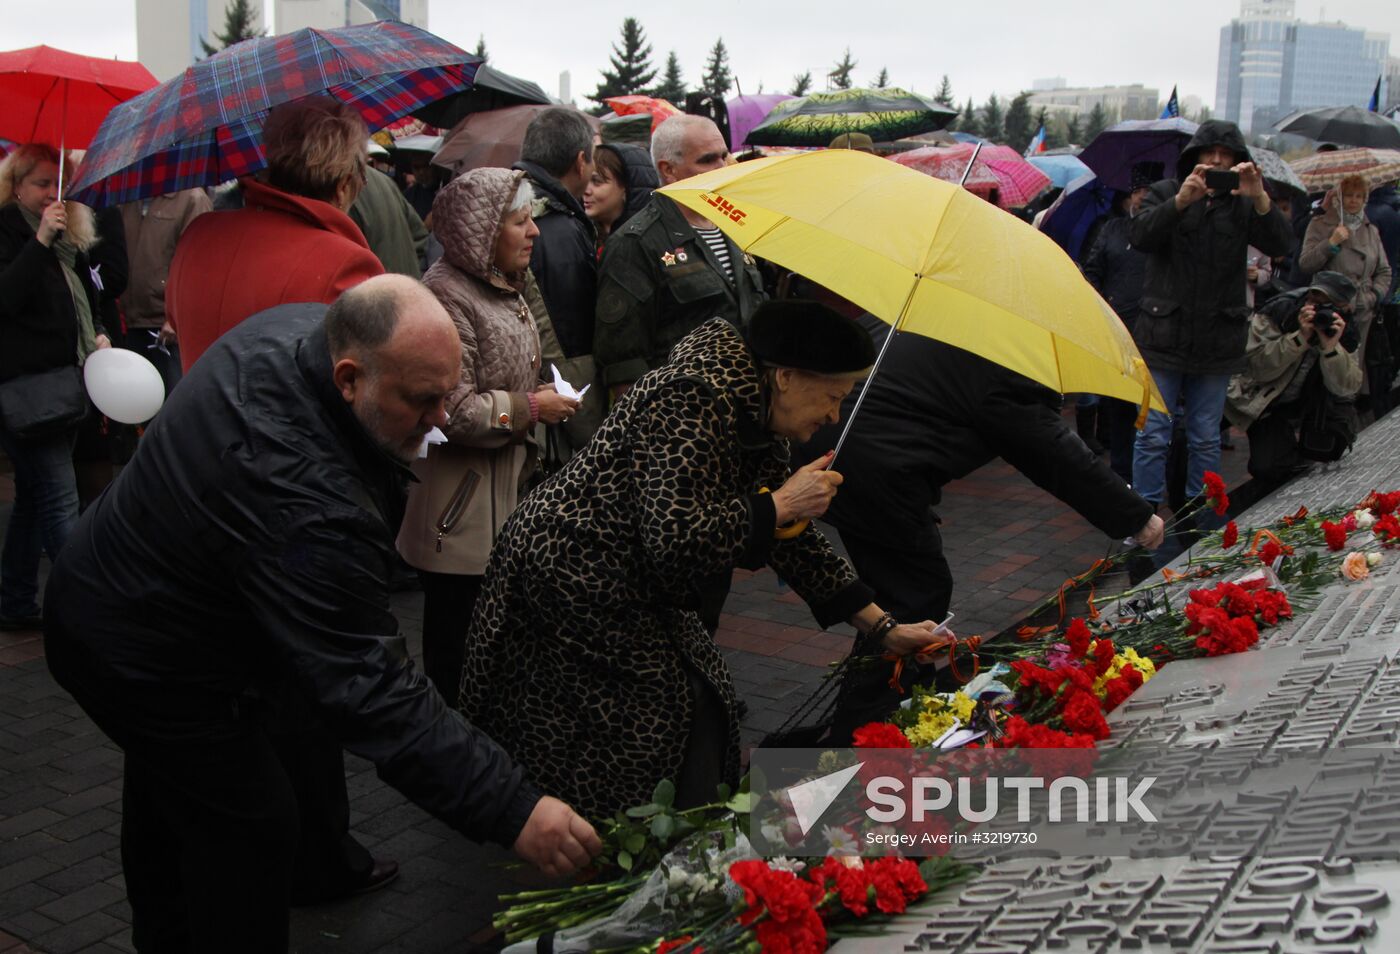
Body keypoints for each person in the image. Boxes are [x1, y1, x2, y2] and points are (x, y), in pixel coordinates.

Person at [44, 276, 601, 953]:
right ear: (349, 378)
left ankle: (167, 934)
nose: (438, 419)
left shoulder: (304, 331)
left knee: (177, 794)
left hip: (140, 599)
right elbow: (369, 684)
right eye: (422, 400)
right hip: (137, 642)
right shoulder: (299, 492)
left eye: (445, 395)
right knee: (253, 822)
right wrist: (514, 807)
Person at [459, 301, 943, 819]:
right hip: (573, 570)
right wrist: (778, 504)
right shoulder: (692, 398)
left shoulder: (756, 414)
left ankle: (662, 837)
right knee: (648, 717)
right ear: (785, 376)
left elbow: (792, 540)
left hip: (631, 578)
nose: (833, 416)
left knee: (693, 701)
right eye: (831, 396)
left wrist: (882, 628)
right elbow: (674, 540)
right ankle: (618, 845)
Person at [162, 95, 389, 903]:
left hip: (189, 490)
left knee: (230, 683)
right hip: (289, 507)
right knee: (305, 686)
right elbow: (360, 408)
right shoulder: (340, 265)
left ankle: (248, 845)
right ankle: (320, 859)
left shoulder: (202, 235)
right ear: (347, 174)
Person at [797, 312, 1163, 728]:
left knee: (900, 585)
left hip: (844, 441)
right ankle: (869, 724)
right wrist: (1137, 517)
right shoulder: (1006, 356)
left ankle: (886, 706)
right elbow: (1047, 448)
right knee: (916, 590)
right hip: (873, 463)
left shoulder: (961, 311)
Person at [397, 168, 579, 699]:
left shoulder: (504, 285)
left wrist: (548, 388)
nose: (534, 232)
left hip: (504, 503)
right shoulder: (446, 297)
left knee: (498, 652)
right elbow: (450, 412)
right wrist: (529, 408)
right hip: (460, 515)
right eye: (521, 222)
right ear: (483, 232)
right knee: (456, 655)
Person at [1128, 119, 1293, 516]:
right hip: (1163, 335)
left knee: (1205, 436)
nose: (1217, 160)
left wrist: (1260, 200)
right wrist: (1180, 202)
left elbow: (1282, 244)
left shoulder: (1244, 201)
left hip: (1218, 339)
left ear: (1239, 161)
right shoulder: (1168, 191)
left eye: (1226, 155)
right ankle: (1142, 513)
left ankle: (1199, 513)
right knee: (1152, 434)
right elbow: (1141, 237)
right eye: (1209, 154)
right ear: (1194, 157)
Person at [166, 96, 383, 371]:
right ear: (343, 186)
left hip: (194, 412)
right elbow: (368, 376)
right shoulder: (346, 265)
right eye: (361, 178)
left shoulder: (197, 237)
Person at [0, 143, 111, 632]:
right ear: (18, 185)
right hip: (28, 390)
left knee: (32, 501)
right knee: (60, 500)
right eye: (42, 183)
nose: (51, 194)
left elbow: (84, 295)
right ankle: (87, 612)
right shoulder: (8, 231)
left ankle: (16, 600)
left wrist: (97, 331)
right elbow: (7, 299)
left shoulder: (68, 237)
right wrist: (40, 240)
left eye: (57, 183)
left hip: (66, 383)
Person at [594, 115, 767, 395]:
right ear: (668, 170)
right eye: (708, 160)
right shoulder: (635, 243)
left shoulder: (734, 225)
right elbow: (623, 364)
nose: (722, 167)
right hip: (682, 416)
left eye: (724, 156)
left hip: (746, 409)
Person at [1226, 271, 1363, 484]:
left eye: (1326, 306)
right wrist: (1299, 339)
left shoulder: (1344, 329)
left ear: (1342, 309)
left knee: (1325, 448)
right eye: (1313, 301)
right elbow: (1257, 368)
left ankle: (1293, 451)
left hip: (1305, 402)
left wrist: (1331, 348)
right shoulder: (1280, 312)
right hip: (1257, 399)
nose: (1316, 310)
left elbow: (1347, 388)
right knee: (1266, 467)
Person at [1082, 166, 1153, 481]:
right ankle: (1122, 475)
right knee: (1119, 409)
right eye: (1138, 191)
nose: (1143, 197)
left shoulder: (1168, 232)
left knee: (1152, 415)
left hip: (1154, 334)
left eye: (1150, 192)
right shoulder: (1112, 229)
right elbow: (1093, 268)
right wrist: (1100, 302)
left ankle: (1149, 477)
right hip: (1117, 330)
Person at [1300, 176, 1392, 405]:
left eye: (1359, 196)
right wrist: (1330, 243)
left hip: (1362, 312)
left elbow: (1384, 271)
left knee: (1351, 378)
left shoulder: (1370, 231)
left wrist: (1373, 297)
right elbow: (1305, 264)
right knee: (1323, 375)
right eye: (1349, 195)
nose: (1353, 201)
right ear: (1339, 197)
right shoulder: (1320, 224)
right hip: (1329, 309)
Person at [117, 188, 212, 394]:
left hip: (167, 329)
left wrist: (177, 316)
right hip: (130, 323)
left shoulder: (192, 198)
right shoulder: (126, 198)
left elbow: (200, 263)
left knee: (172, 402)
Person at [349, 165, 428, 278]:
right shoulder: (385, 181)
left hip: (376, 289)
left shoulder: (339, 185)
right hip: (405, 285)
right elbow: (420, 236)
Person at [583, 142, 659, 252]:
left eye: (597, 181)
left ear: (626, 188)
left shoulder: (648, 243)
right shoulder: (579, 234)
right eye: (586, 180)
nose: (586, 191)